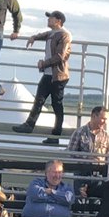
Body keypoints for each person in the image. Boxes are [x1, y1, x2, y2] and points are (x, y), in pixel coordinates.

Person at [12, 11, 72, 143]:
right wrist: (34, 37)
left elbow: (60, 56)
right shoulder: (53, 33)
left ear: (58, 21)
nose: (48, 19)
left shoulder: (64, 35)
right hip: (49, 74)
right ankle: (29, 125)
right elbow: (45, 34)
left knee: (57, 104)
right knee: (39, 100)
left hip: (58, 76)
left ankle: (56, 134)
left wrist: (43, 63)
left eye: (51, 18)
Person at [9, 159, 75, 217]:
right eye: (54, 172)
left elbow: (69, 198)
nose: (57, 175)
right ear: (46, 173)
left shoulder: (67, 187)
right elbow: (34, 193)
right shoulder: (36, 183)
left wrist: (51, 192)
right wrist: (58, 198)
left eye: (60, 172)